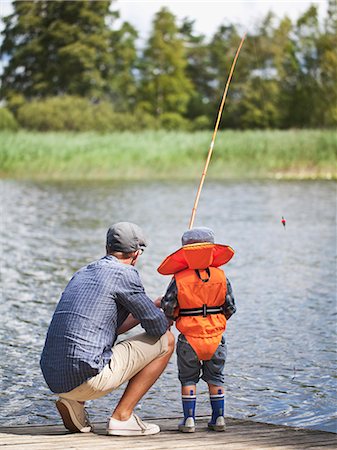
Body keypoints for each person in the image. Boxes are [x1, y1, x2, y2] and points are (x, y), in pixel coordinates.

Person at [40, 222, 174, 436]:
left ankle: (74, 401)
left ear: (106, 248)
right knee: (166, 340)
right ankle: (123, 417)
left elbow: (109, 327)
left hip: (54, 376)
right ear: (137, 254)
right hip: (89, 377)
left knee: (85, 343)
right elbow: (157, 328)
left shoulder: (83, 273)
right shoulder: (126, 274)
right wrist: (166, 314)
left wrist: (152, 305)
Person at [157, 227, 236, 433]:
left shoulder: (179, 278)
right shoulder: (221, 276)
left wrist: (173, 317)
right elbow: (230, 307)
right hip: (216, 337)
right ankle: (218, 418)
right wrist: (216, 319)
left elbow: (168, 305)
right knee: (216, 378)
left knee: (188, 378)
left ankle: (189, 420)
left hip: (189, 339)